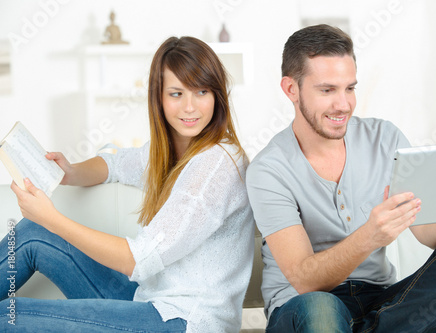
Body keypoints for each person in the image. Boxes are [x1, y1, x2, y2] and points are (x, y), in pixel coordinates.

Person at [246, 24, 436, 333]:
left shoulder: (384, 137)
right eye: (327, 90)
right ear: (291, 89)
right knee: (320, 307)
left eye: (349, 88)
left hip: (381, 301)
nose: (343, 104)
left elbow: (425, 231)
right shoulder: (268, 169)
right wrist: (371, 235)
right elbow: (305, 280)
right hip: (303, 308)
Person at [0, 36, 254, 333]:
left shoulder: (217, 163)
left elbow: (139, 259)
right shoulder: (174, 150)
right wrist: (69, 172)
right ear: (158, 97)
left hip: (185, 322)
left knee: (9, 315)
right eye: (176, 94)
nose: (189, 107)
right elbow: (117, 163)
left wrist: (52, 218)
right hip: (149, 302)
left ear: (217, 95)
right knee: (34, 234)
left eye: (201, 91)